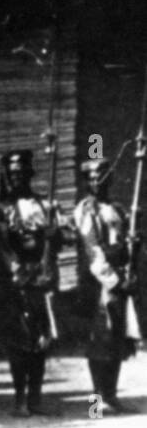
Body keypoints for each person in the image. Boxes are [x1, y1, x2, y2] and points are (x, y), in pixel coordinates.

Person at [0, 149, 61, 417]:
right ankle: (20, 398)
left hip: (38, 274)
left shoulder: (45, 205)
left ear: (30, 174)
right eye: (12, 173)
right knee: (19, 341)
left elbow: (55, 244)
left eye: (22, 173)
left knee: (40, 340)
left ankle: (36, 398)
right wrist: (15, 269)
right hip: (12, 278)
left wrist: (55, 234)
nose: (17, 178)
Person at [74, 157, 138, 414]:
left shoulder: (119, 209)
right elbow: (93, 250)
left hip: (119, 280)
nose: (96, 182)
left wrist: (134, 244)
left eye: (101, 177)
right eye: (91, 178)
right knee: (98, 343)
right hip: (98, 281)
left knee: (116, 341)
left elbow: (124, 243)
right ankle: (95, 403)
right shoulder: (86, 210)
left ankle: (110, 395)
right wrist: (113, 279)